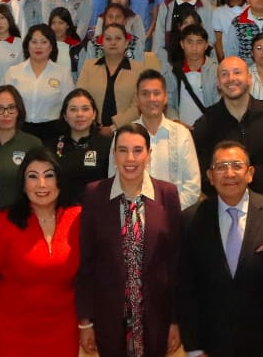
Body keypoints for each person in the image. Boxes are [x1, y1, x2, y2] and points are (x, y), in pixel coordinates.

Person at [177, 141, 263, 357]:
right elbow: (187, 289)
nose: (229, 173)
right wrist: (194, 348)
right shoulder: (191, 220)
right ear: (210, 176)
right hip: (213, 344)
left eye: (236, 165)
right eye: (221, 166)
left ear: (250, 173)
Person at [76, 123, 184, 357]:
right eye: (122, 150)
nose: (130, 158)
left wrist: (176, 320)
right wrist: (85, 321)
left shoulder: (167, 194)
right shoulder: (95, 194)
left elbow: (175, 262)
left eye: (138, 150)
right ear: (114, 155)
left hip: (156, 318)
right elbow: (87, 263)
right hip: (109, 318)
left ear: (149, 154)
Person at [0, 147, 83, 357]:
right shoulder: (3, 221)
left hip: (63, 329)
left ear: (60, 181)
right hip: (10, 331)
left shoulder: (78, 218)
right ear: (23, 185)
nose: (42, 184)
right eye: (33, 176)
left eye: (49, 175)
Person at [191, 57, 263, 195]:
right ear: (218, 83)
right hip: (223, 205)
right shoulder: (205, 124)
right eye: (224, 74)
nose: (231, 78)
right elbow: (199, 172)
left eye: (237, 72)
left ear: (249, 78)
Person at [113, 70, 202, 206]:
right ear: (137, 98)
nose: (151, 99)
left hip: (175, 218)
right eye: (145, 94)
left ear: (165, 97)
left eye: (156, 93)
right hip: (133, 219)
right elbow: (114, 181)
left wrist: (164, 215)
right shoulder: (123, 135)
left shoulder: (182, 134)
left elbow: (192, 187)